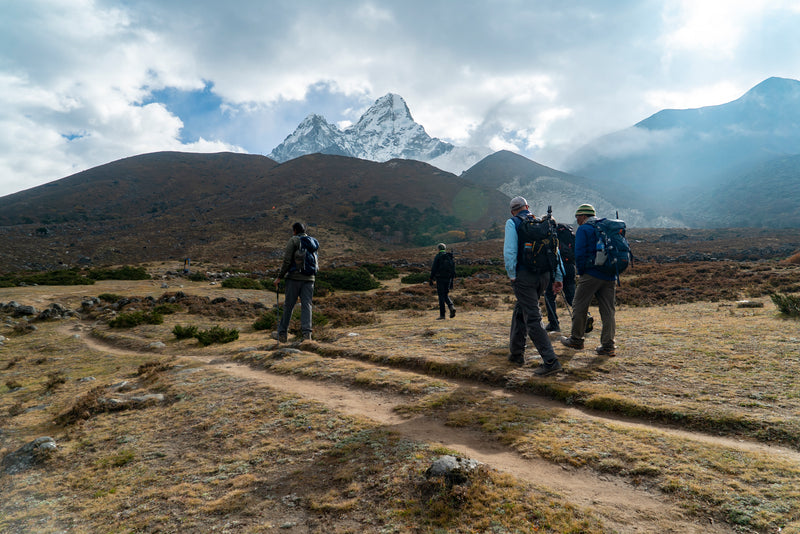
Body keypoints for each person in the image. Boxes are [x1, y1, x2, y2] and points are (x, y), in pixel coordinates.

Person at [504, 196, 564, 376]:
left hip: (524, 276)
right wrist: (558, 277)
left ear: (513, 211)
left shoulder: (513, 223)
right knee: (521, 308)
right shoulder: (542, 223)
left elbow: (510, 251)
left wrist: (512, 276)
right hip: (544, 276)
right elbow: (555, 251)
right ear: (527, 207)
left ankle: (550, 361)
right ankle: (516, 353)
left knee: (532, 317)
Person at [560, 204, 617, 357]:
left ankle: (576, 339)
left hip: (591, 274)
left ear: (583, 216)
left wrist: (581, 273)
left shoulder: (584, 229)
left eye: (577, 217)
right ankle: (608, 345)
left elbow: (579, 253)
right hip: (610, 274)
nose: (576, 220)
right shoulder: (605, 227)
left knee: (579, 305)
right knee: (608, 310)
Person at [273, 222, 316, 342]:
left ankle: (282, 335)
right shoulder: (312, 242)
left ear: (295, 231)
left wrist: (279, 277)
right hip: (310, 279)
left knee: (289, 306)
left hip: (294, 278)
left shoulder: (294, 240)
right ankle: (307, 335)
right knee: (307, 306)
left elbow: (287, 261)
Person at [429, 243, 456, 320]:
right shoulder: (449, 256)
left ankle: (442, 315)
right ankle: (451, 306)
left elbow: (434, 268)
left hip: (440, 278)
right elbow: (453, 269)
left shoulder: (438, 256)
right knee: (445, 294)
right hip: (448, 278)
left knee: (441, 295)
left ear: (438, 249)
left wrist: (431, 278)